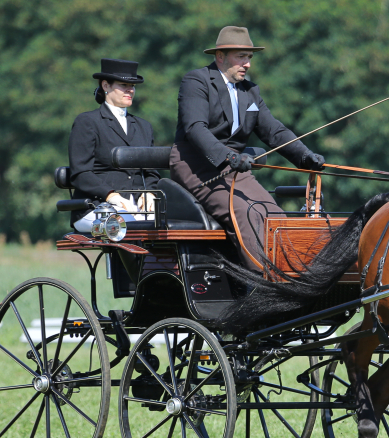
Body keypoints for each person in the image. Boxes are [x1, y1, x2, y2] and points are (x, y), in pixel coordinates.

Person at [170, 26, 325, 271]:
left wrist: (304, 156)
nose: (248, 64)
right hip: (198, 167)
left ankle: (291, 275)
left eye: (249, 57)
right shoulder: (196, 81)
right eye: (241, 56)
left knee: (276, 217)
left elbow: (274, 131)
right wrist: (229, 156)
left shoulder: (250, 91)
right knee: (247, 212)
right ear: (220, 56)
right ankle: (263, 282)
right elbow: (195, 129)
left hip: (236, 170)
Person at [68, 59, 161, 232]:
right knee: (126, 226)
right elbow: (81, 173)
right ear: (106, 85)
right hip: (95, 207)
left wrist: (149, 193)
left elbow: (151, 172)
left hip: (137, 208)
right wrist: (110, 195)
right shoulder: (87, 122)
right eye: (124, 84)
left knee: (171, 226)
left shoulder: (144, 127)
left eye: (133, 85)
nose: (130, 90)